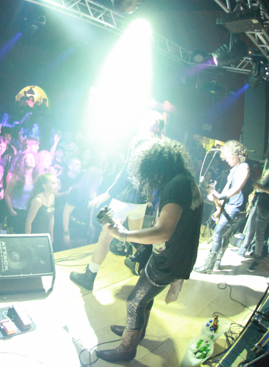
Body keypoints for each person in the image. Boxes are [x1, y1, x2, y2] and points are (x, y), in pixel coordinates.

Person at [95, 137, 203, 362]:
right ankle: (137, 332)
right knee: (145, 297)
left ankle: (126, 350)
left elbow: (164, 232)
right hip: (179, 255)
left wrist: (124, 235)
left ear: (155, 168)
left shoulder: (175, 186)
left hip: (168, 259)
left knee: (135, 301)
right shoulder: (186, 180)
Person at [70, 112, 164, 290]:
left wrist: (107, 194)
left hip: (124, 199)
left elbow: (126, 172)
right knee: (136, 238)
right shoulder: (160, 144)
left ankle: (89, 276)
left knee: (105, 237)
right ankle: (145, 275)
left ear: (148, 124)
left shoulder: (139, 140)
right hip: (141, 202)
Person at [194, 140, 250, 273]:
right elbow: (228, 188)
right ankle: (217, 262)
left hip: (236, 207)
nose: (227, 160)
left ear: (236, 154)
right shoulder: (234, 168)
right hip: (230, 205)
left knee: (217, 234)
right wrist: (216, 197)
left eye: (229, 157)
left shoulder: (244, 167)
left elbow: (237, 188)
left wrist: (221, 196)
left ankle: (208, 266)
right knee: (224, 236)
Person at [241, 142, 269, 273]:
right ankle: (242, 250)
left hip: (267, 206)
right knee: (251, 227)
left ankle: (256, 260)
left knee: (259, 234)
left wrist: (262, 188)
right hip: (259, 201)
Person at [63, 167, 103, 249]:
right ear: (94, 178)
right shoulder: (77, 190)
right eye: (100, 177)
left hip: (84, 226)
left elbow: (91, 208)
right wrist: (66, 233)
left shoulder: (94, 191)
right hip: (72, 225)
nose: (102, 179)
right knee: (67, 250)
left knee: (79, 250)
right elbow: (66, 212)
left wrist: (90, 222)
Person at [4, 152, 35, 232]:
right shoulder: (17, 177)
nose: (32, 160)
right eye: (29, 158)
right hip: (17, 211)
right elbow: (7, 194)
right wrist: (11, 210)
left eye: (33, 158)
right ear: (23, 161)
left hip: (29, 211)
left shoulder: (36, 176)